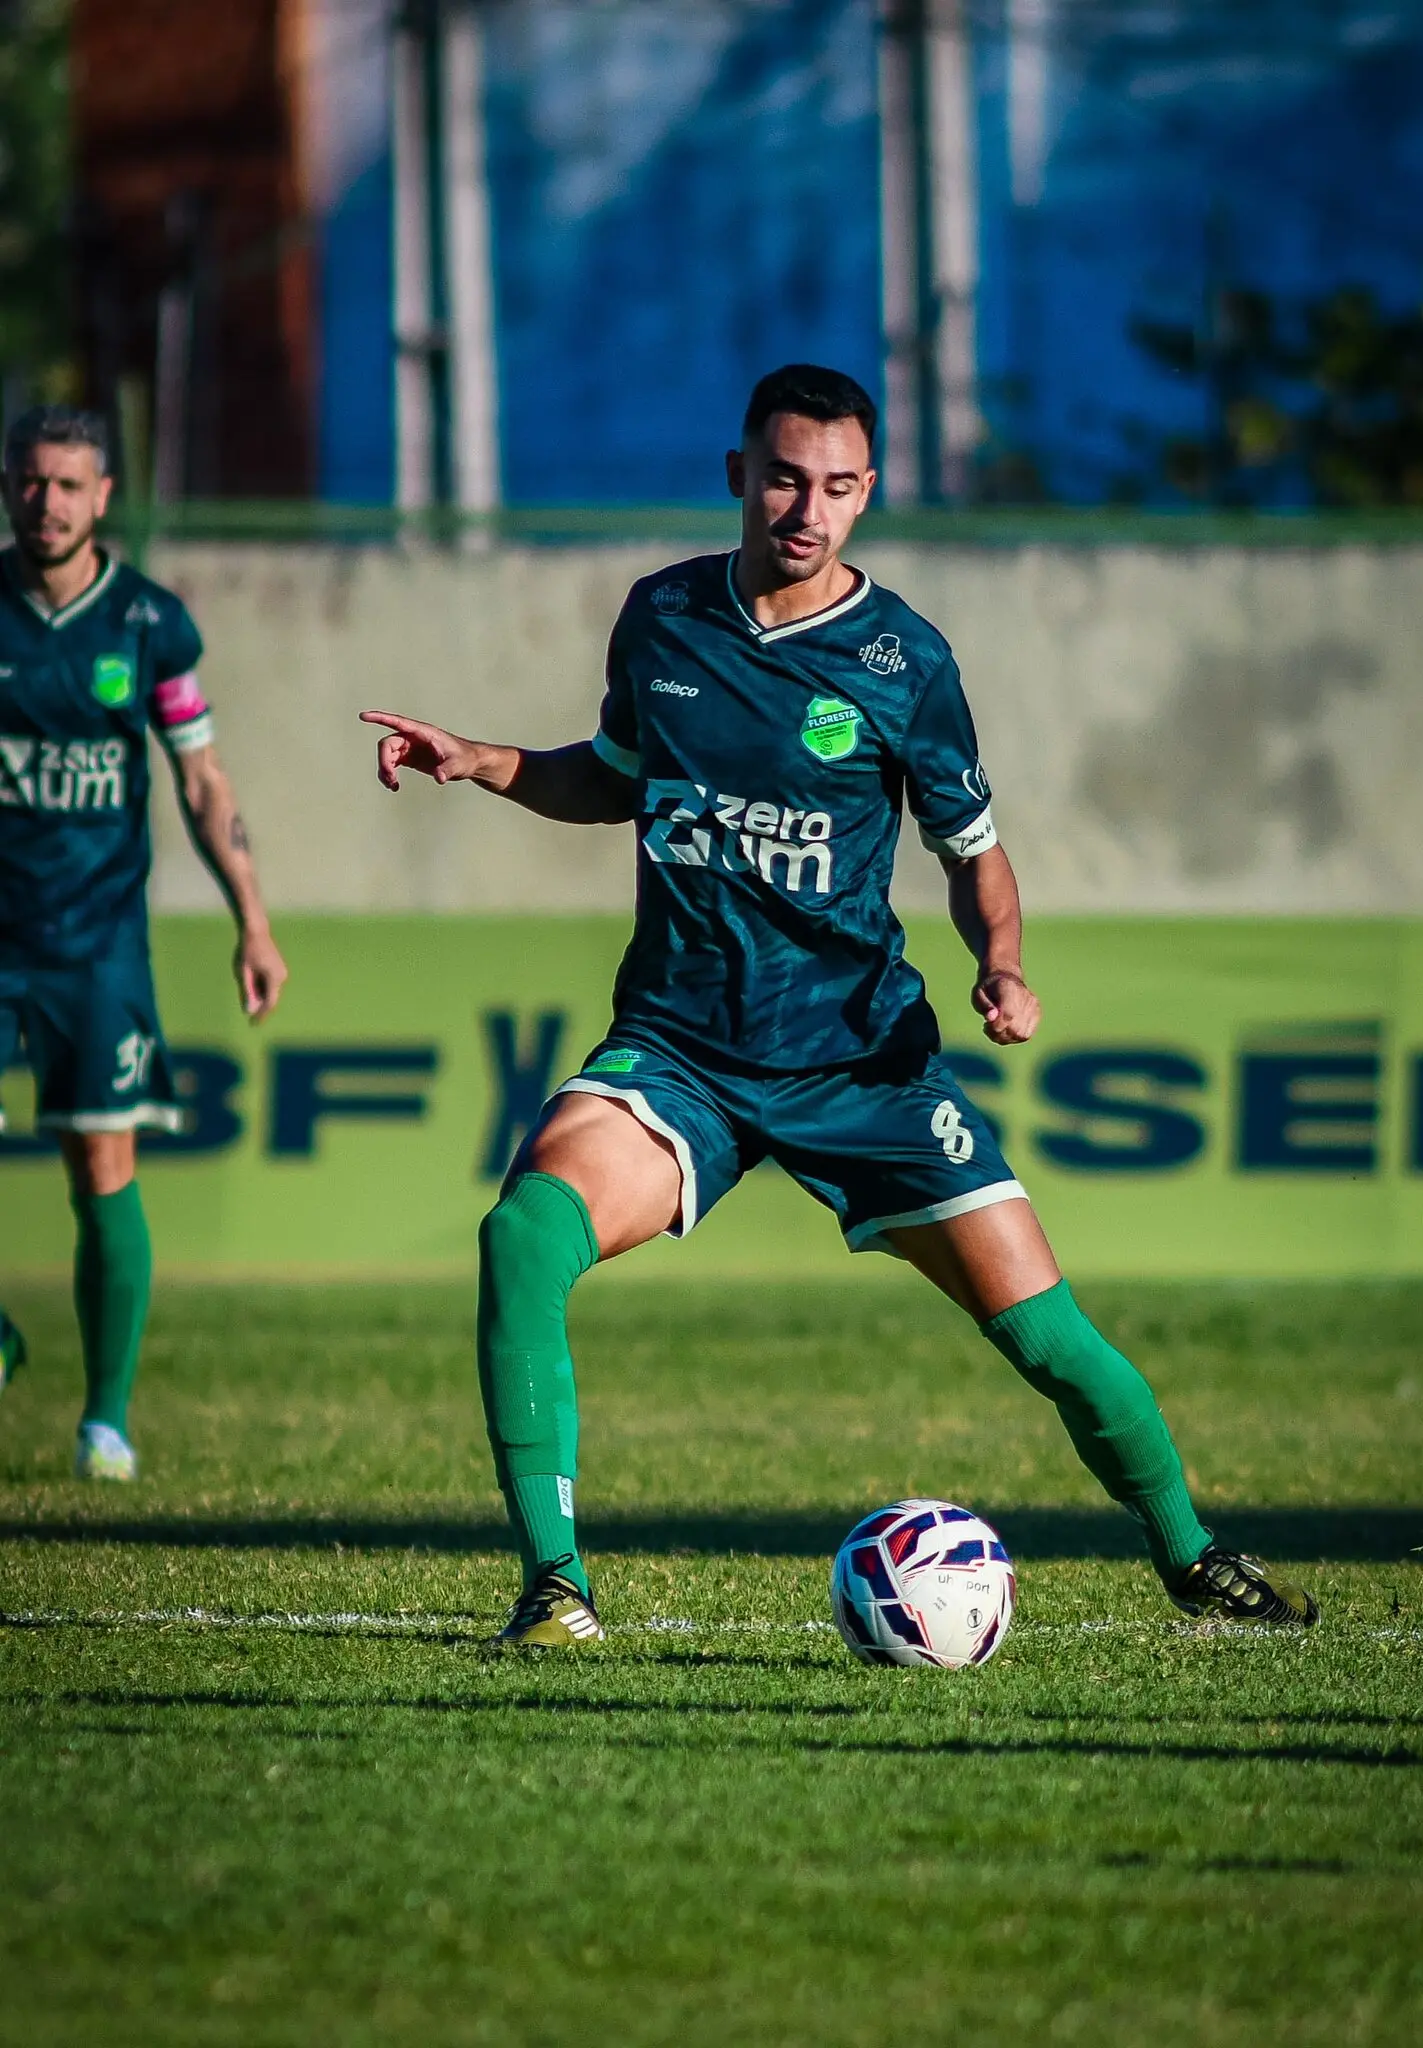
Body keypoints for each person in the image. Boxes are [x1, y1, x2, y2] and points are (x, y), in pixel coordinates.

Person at [363, 363, 1316, 1649]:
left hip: (861, 1064)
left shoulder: (903, 660)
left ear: (866, 494)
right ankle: (554, 1583)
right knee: (524, 1235)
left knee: (1049, 1341)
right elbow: (619, 777)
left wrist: (1001, 960)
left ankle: (1194, 1558)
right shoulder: (662, 618)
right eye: (783, 477)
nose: (807, 508)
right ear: (738, 476)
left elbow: (972, 847)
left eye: (837, 486)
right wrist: (482, 761)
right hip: (681, 1053)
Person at [0, 405, 287, 1478]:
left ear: (104, 496)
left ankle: (104, 1418)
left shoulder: (150, 625)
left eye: (68, 485)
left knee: (100, 1162)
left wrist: (252, 920)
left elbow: (201, 779)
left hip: (96, 941)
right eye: (30, 483)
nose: (47, 504)